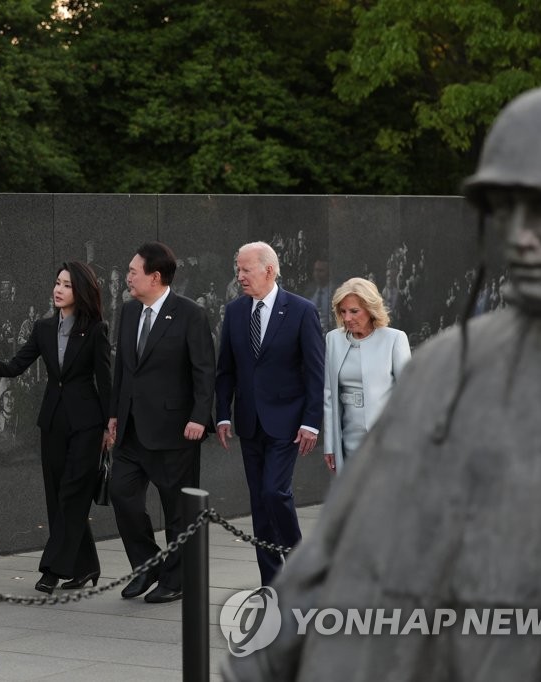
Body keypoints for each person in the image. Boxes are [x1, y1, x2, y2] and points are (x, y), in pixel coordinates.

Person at [224, 84, 541, 682]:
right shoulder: (452, 364)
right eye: (507, 210)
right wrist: (269, 656)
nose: (522, 235)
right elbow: (347, 541)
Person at [0, 261, 112, 594]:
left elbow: (106, 381)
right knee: (57, 497)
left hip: (87, 426)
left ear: (80, 291)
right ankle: (87, 567)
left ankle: (52, 569)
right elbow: (16, 366)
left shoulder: (97, 329)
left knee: (73, 494)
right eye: (57, 282)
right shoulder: (43, 328)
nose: (58, 289)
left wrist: (110, 425)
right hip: (53, 423)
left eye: (67, 285)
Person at [107, 243, 215, 603]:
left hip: (174, 431)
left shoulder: (190, 314)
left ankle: (176, 579)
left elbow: (204, 370)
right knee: (122, 496)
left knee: (177, 512)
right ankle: (148, 565)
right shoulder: (128, 311)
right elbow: (122, 368)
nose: (128, 277)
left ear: (155, 277)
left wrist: (200, 417)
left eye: (133, 271)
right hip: (131, 431)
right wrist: (113, 415)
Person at [215, 241, 323, 587]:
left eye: (246, 269)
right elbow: (225, 370)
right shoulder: (233, 312)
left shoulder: (302, 310)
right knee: (259, 504)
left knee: (275, 492)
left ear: (269, 270)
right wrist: (222, 414)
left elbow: (315, 371)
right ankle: (271, 583)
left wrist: (311, 421)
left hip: (288, 422)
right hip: (248, 422)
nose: (240, 275)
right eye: (238, 269)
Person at [323, 277, 411, 474]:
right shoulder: (333, 340)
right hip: (346, 435)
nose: (347, 318)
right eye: (343, 311)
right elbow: (328, 395)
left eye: (354, 311)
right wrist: (330, 444)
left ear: (371, 310)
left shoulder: (394, 339)